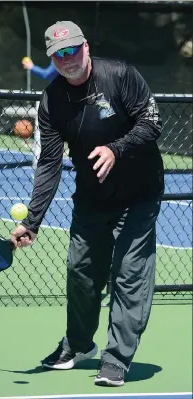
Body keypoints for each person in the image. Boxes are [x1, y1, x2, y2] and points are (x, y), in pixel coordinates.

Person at [11, 21, 164, 387]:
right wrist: (31, 222)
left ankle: (115, 358)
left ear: (86, 47)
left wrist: (116, 149)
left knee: (129, 276)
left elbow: (152, 122)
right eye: (58, 54)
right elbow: (49, 164)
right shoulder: (51, 103)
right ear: (52, 58)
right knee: (80, 274)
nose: (67, 59)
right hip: (92, 199)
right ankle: (79, 345)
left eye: (72, 50)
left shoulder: (120, 76)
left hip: (139, 195)